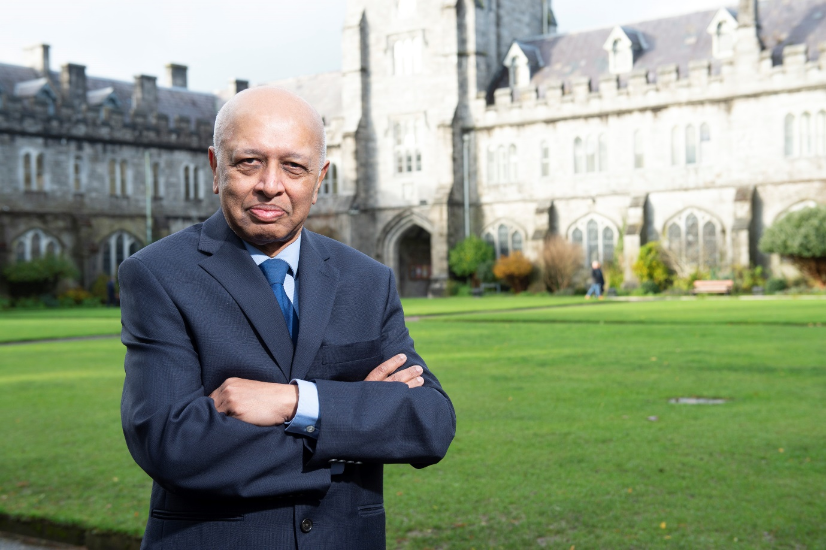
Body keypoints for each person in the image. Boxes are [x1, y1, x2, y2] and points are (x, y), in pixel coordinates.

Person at [119, 87, 456, 550]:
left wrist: (296, 403)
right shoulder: (159, 275)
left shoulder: (367, 280)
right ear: (216, 169)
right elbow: (172, 444)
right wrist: (356, 421)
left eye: (294, 167)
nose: (271, 184)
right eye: (249, 162)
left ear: (320, 180)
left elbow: (430, 423)